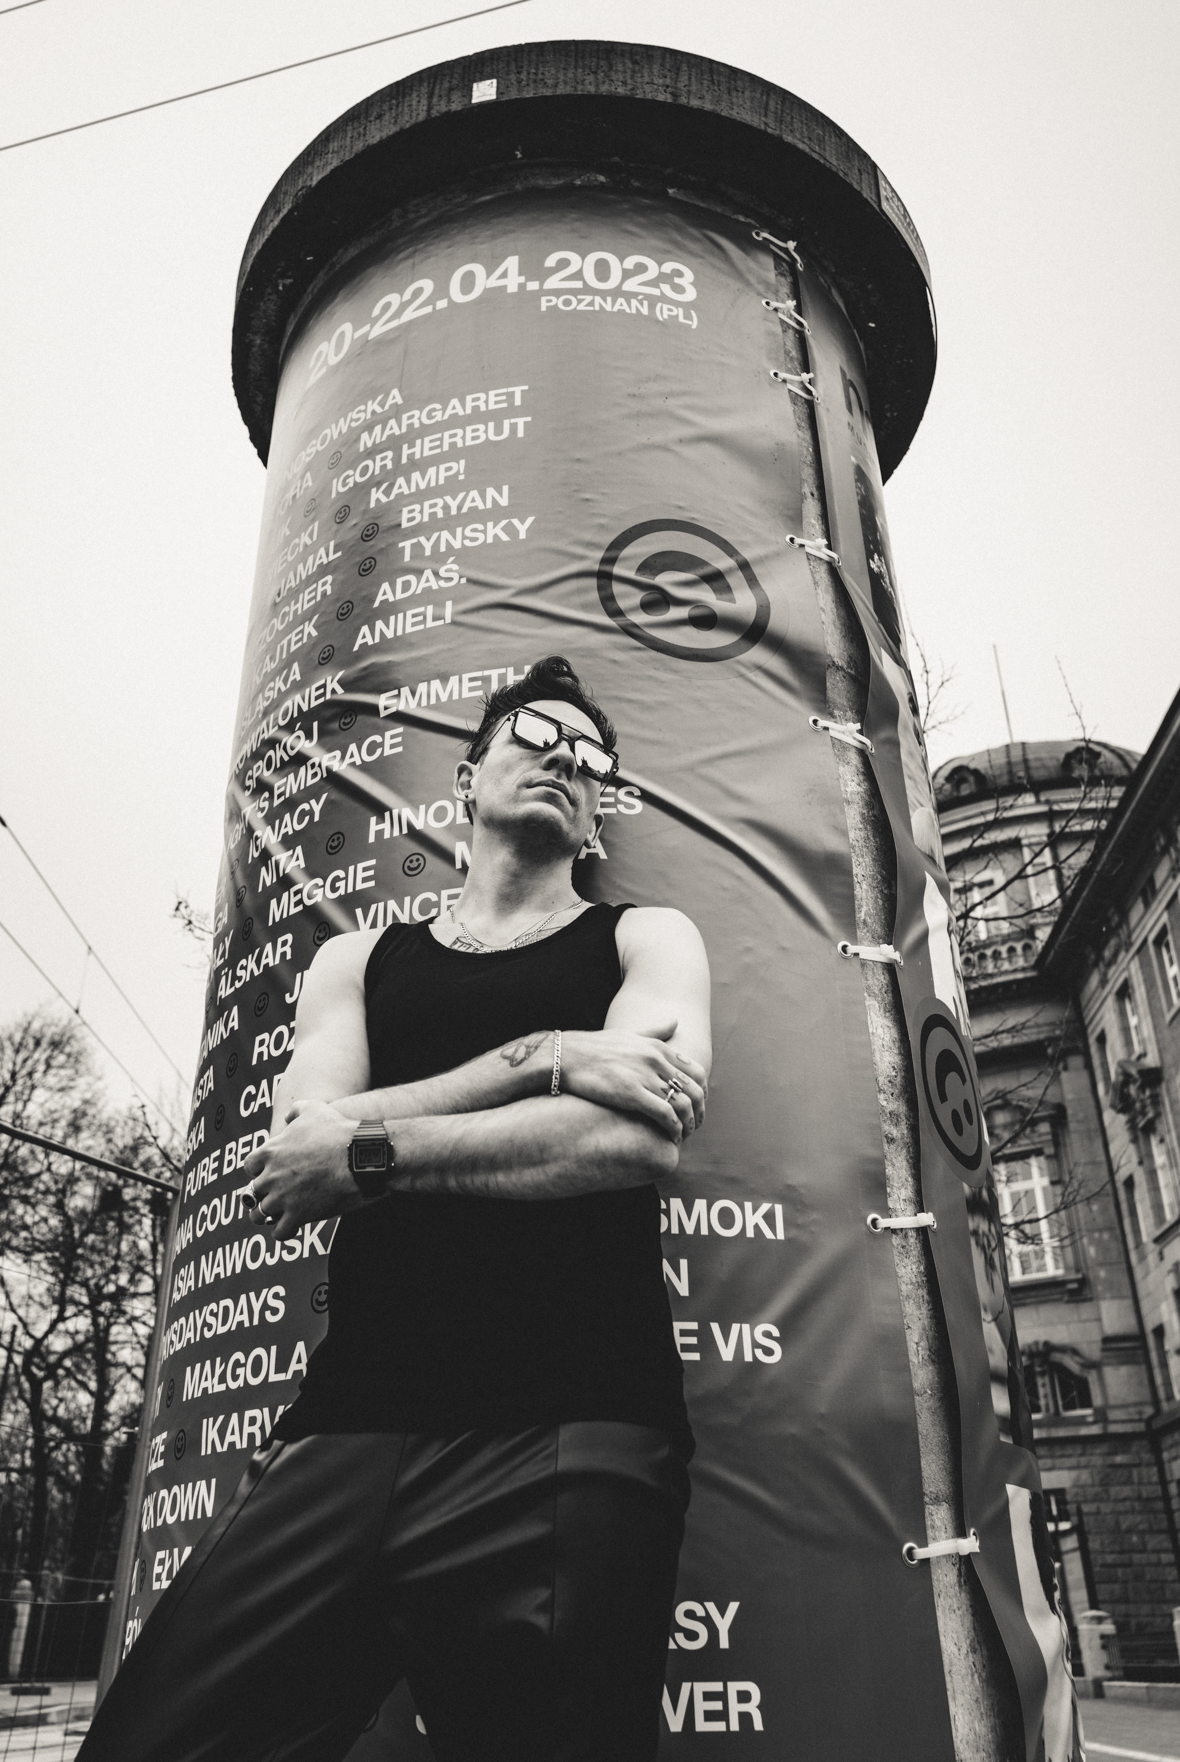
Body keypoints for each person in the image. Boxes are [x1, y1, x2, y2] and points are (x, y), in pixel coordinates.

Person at [81, 654, 711, 1762]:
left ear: (598, 814)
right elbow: (300, 1155)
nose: (565, 758)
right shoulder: (357, 961)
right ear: (468, 777)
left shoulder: (645, 937)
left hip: (576, 1418)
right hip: (352, 1420)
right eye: (536, 734)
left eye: (587, 754)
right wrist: (550, 1058)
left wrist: (373, 1145)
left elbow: (634, 1136)